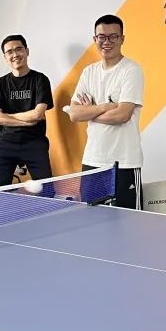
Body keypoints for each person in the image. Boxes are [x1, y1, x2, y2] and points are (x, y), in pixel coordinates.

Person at [69, 14, 145, 209]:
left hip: (124, 162)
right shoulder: (89, 72)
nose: (107, 42)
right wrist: (104, 107)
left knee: (128, 221)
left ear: (122, 39)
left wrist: (89, 111)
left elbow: (122, 115)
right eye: (101, 37)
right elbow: (74, 114)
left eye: (113, 36)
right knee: (90, 220)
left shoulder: (131, 70)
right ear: (95, 39)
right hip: (92, 159)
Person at [0, 35, 53, 187]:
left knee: (48, 192)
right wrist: (26, 121)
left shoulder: (40, 80)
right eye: (10, 52)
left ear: (27, 51)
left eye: (19, 49)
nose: (15, 54)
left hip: (35, 141)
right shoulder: (0, 84)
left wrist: (7, 116)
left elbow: (38, 114)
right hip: (6, 142)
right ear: (5, 57)